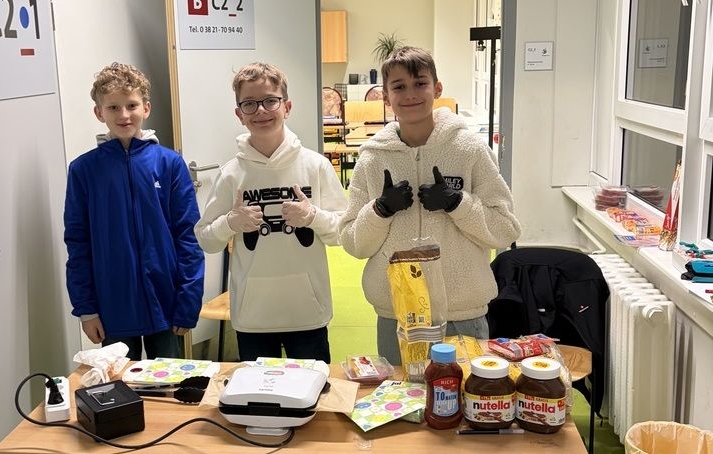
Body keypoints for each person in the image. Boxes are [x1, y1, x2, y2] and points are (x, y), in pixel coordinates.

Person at [338, 47, 521, 366]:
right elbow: (353, 243)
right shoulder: (372, 158)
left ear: (437, 88)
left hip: (461, 312)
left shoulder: (469, 150)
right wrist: (380, 210)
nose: (410, 94)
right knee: (402, 396)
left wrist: (457, 203)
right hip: (397, 313)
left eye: (420, 83)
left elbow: (505, 230)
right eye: (399, 86)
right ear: (385, 97)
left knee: (464, 394)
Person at [195, 62, 347, 363]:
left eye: (270, 101)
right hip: (253, 317)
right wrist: (231, 223)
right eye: (249, 104)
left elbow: (342, 233)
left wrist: (312, 217)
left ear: (286, 107)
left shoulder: (315, 165)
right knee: (256, 392)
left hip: (307, 313)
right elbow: (205, 240)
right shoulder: (231, 174)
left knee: (314, 388)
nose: (261, 110)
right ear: (239, 114)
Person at [64, 62, 205, 361]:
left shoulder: (169, 164)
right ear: (99, 113)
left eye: (131, 105)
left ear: (146, 108)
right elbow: (78, 242)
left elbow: (188, 235)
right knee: (119, 386)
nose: (124, 115)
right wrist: (86, 309)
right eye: (113, 107)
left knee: (167, 383)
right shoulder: (84, 170)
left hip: (166, 304)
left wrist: (188, 299)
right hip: (112, 306)